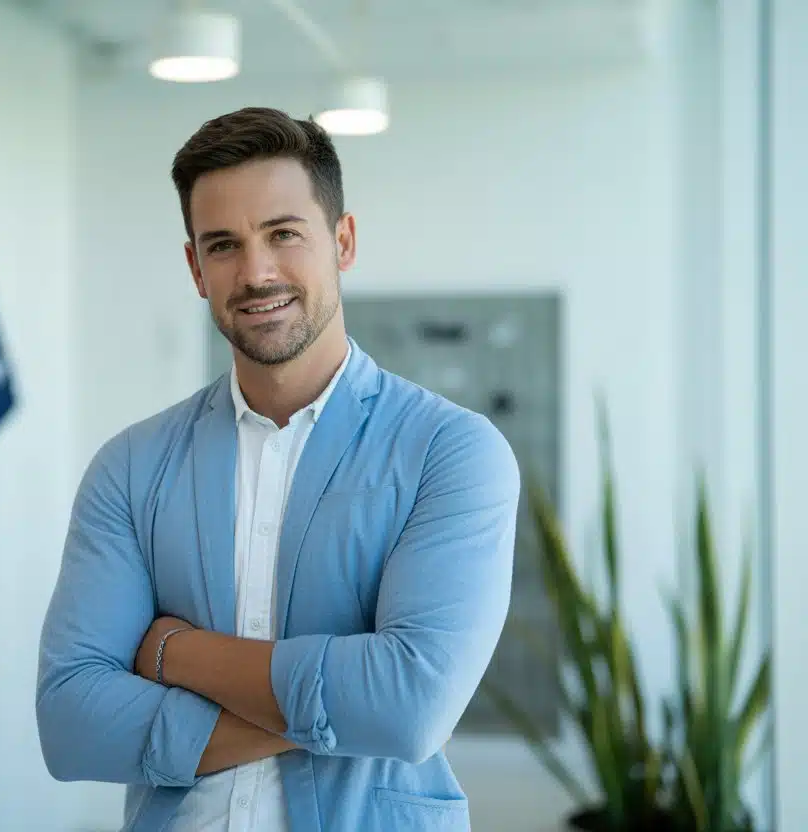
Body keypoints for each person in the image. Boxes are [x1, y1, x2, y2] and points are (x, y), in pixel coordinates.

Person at [36, 106, 520, 832]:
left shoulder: (450, 452)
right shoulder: (131, 468)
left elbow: (410, 709)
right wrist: (343, 708)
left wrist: (175, 652)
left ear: (343, 241)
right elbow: (71, 723)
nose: (256, 271)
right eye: (224, 245)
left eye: (283, 234)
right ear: (196, 269)